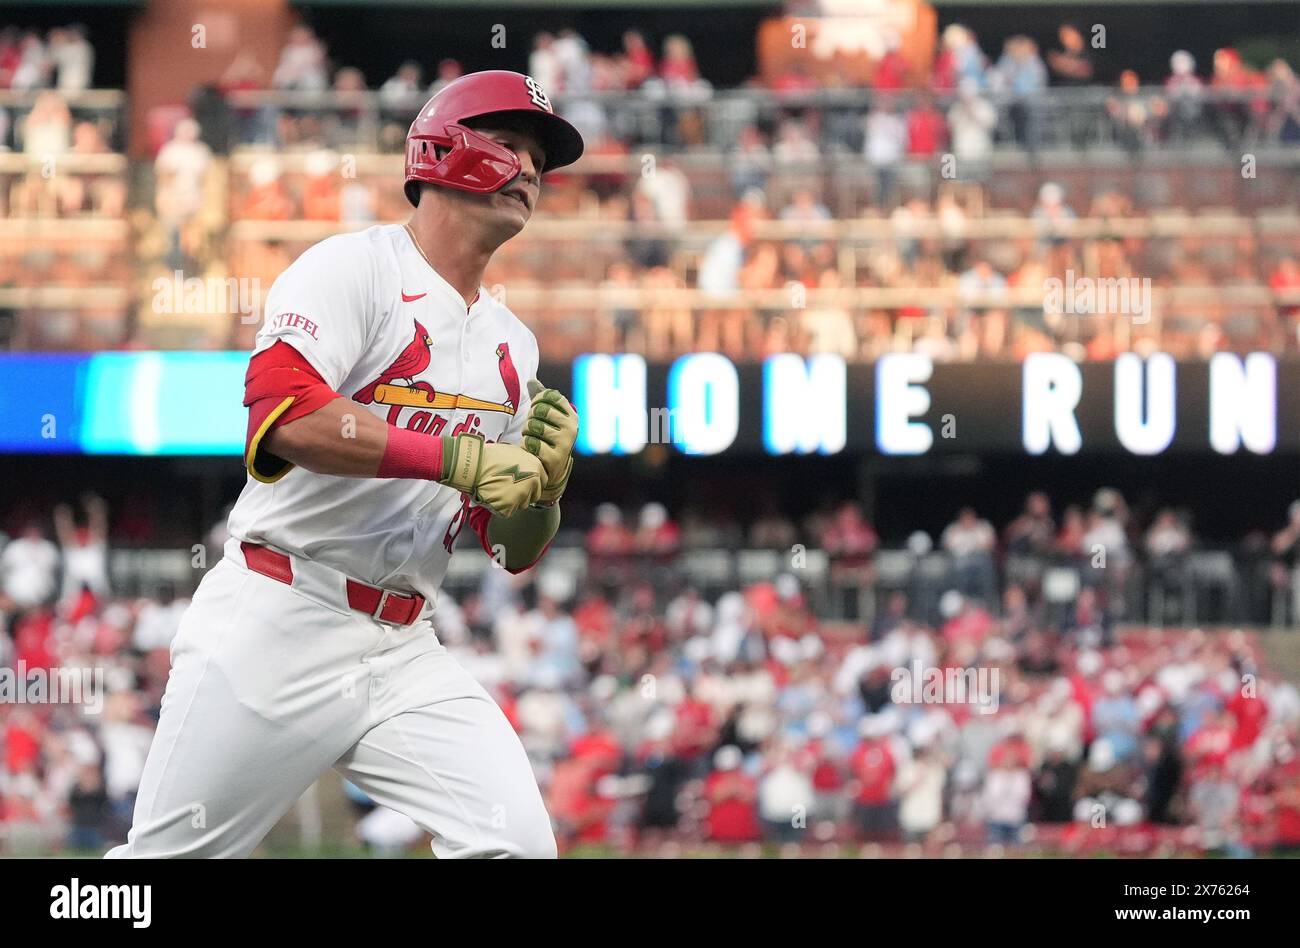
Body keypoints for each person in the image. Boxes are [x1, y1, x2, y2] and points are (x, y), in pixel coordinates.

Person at [108, 71, 584, 859]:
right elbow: (282, 411)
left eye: (539, 158)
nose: (530, 170)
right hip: (278, 614)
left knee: (518, 846)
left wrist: (544, 490)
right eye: (510, 145)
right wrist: (460, 458)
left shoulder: (515, 346)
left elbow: (510, 549)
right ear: (443, 150)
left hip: (403, 645)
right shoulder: (352, 269)